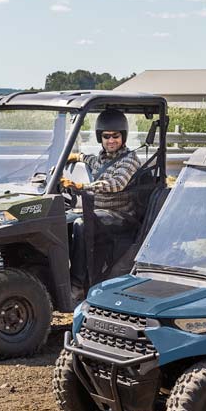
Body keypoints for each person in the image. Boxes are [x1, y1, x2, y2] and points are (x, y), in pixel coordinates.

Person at [61, 109, 141, 299]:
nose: (111, 140)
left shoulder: (129, 160)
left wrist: (81, 186)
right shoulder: (100, 159)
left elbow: (116, 183)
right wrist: (76, 156)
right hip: (100, 212)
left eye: (115, 136)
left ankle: (77, 285)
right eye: (106, 136)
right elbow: (88, 159)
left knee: (81, 224)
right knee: (63, 221)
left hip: (121, 215)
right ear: (100, 137)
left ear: (123, 137)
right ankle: (61, 278)